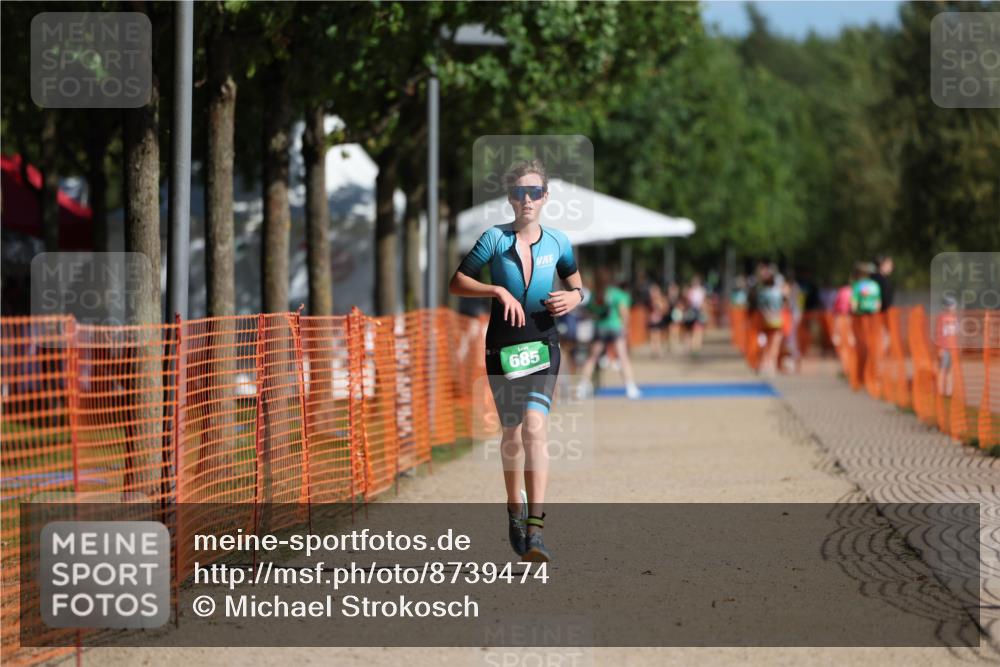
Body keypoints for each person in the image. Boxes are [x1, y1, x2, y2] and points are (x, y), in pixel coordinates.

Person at [449, 159, 583, 563]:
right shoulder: (493, 240)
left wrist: (575, 297)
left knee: (535, 429)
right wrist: (495, 291)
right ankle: (513, 506)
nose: (527, 200)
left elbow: (579, 286)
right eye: (519, 193)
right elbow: (457, 282)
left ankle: (536, 531)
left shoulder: (559, 242)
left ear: (545, 197)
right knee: (511, 435)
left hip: (544, 344)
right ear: (510, 197)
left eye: (534, 192)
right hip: (503, 348)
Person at [577, 267, 642, 399]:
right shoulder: (619, 294)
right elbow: (624, 313)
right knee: (623, 357)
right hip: (615, 327)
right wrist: (625, 327)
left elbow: (589, 311)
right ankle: (630, 387)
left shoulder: (595, 294)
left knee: (592, 358)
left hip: (600, 328)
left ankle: (581, 387)